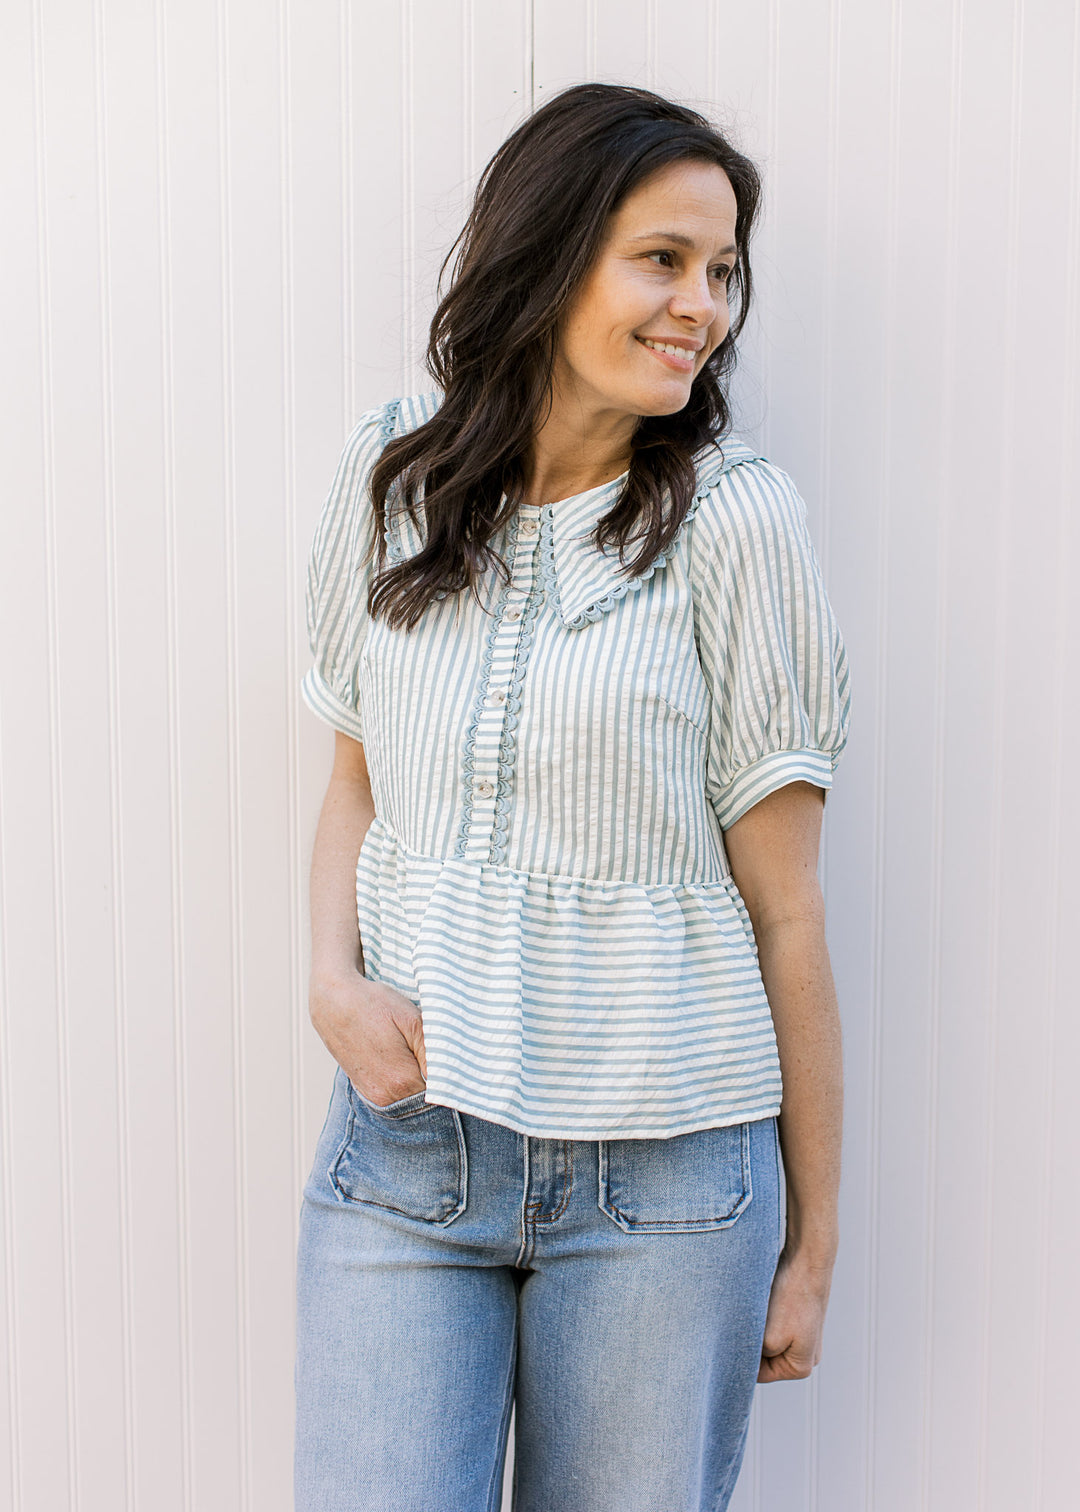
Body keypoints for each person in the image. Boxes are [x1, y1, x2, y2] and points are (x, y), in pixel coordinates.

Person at [293, 81, 852, 1512]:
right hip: (411, 1145)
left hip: (668, 1186)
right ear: (547, 257)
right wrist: (328, 980)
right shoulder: (394, 476)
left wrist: (815, 1242)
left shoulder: (737, 523)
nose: (703, 307)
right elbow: (358, 775)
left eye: (723, 271)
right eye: (662, 259)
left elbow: (788, 913)